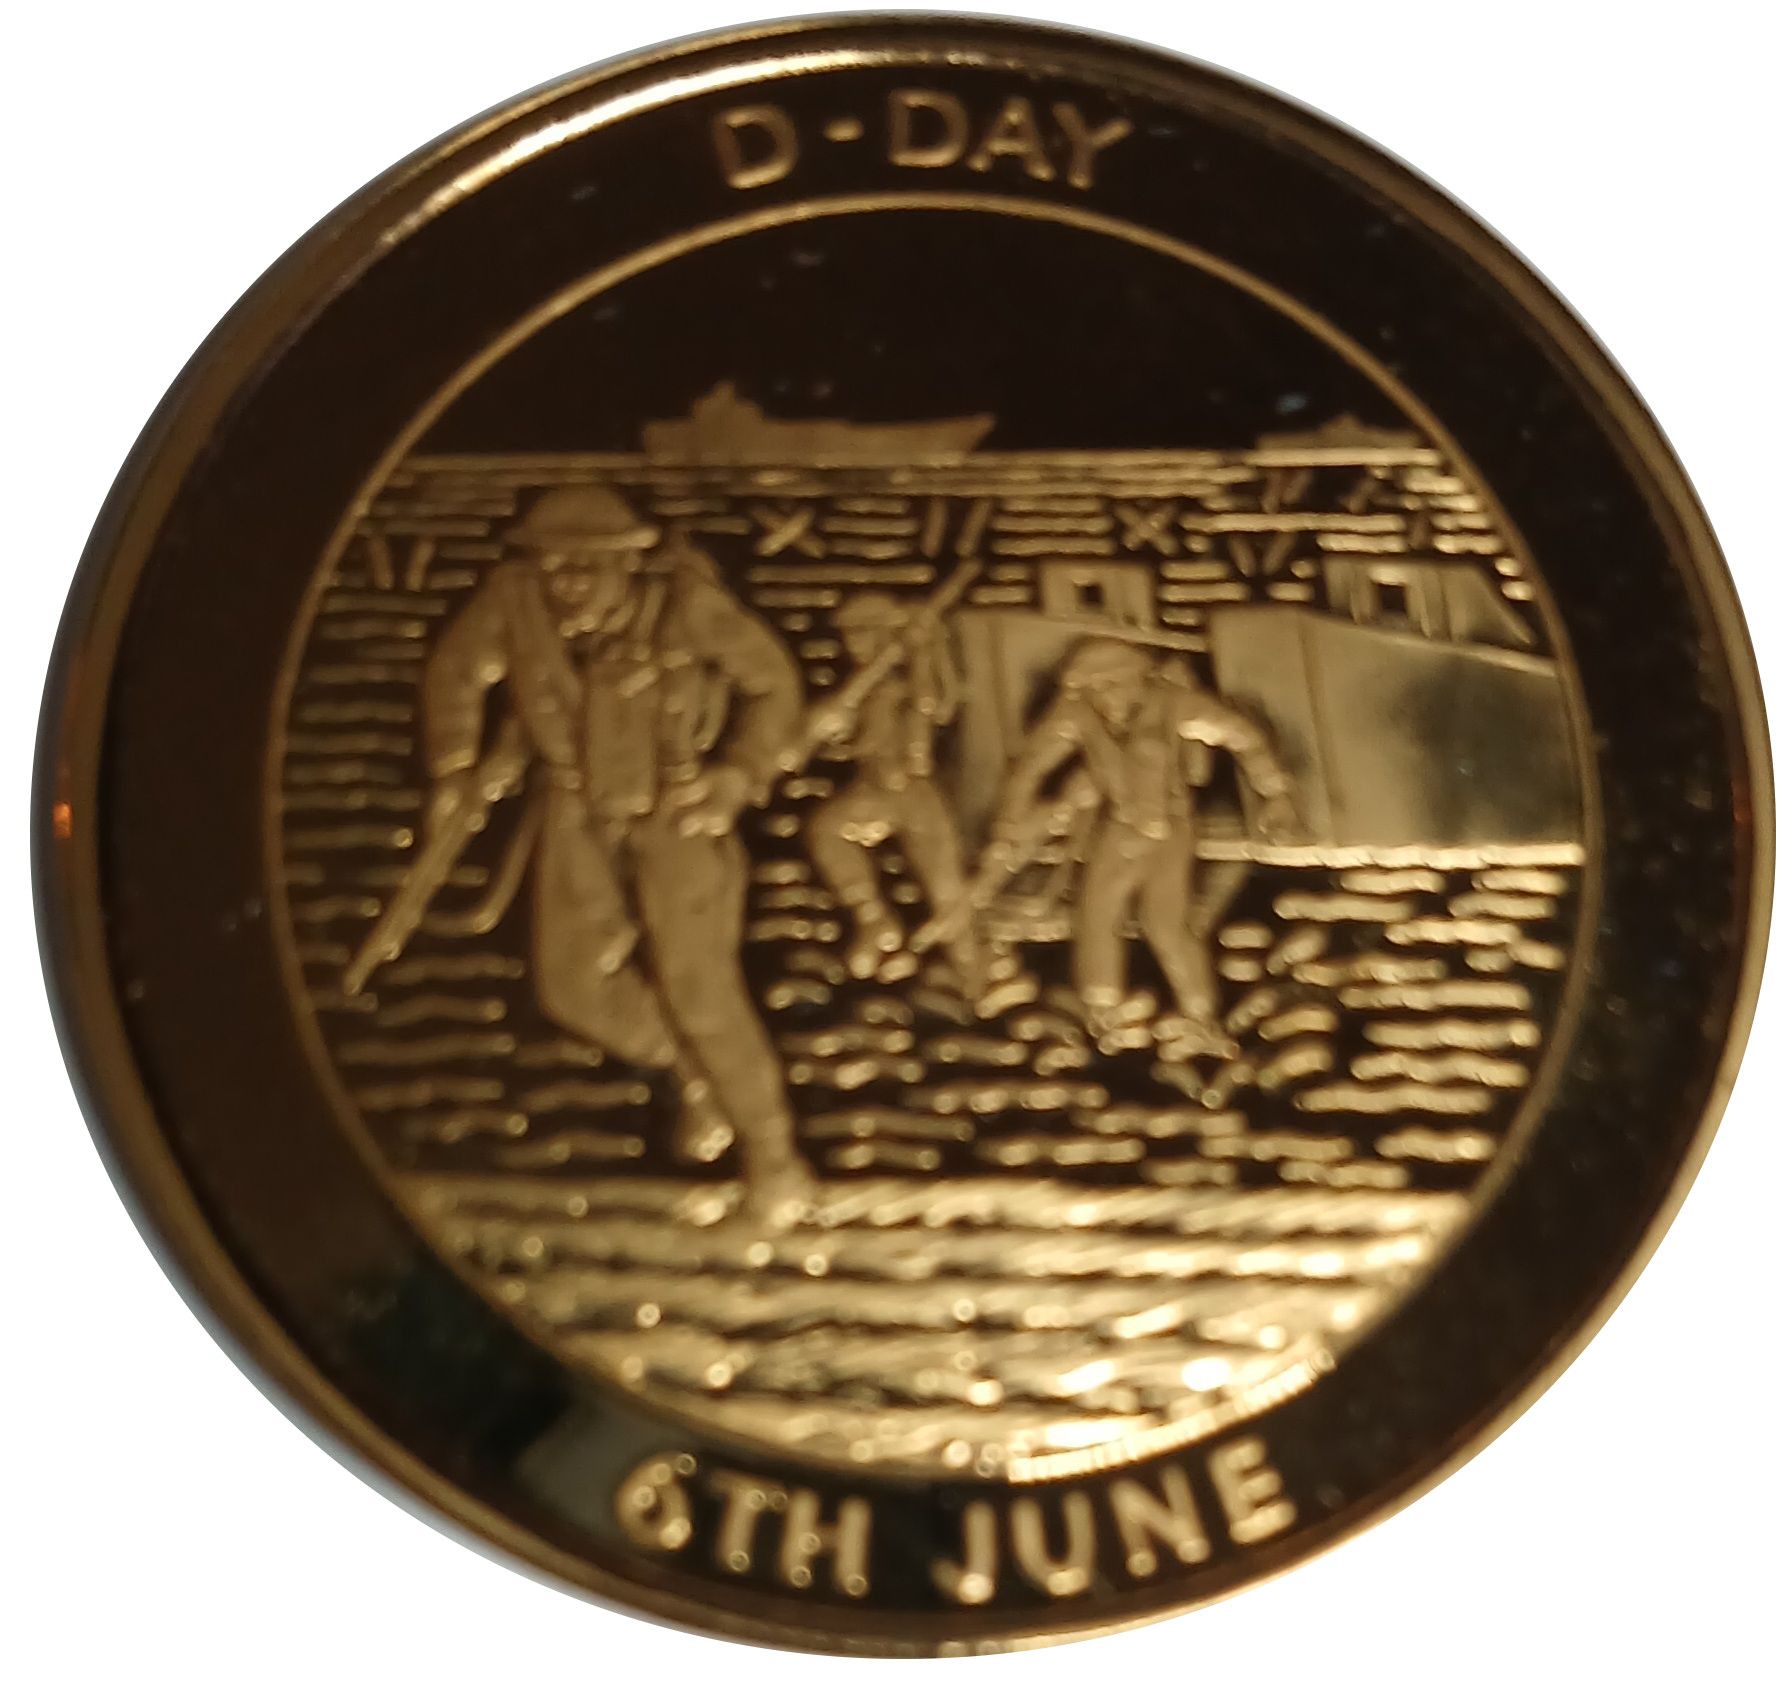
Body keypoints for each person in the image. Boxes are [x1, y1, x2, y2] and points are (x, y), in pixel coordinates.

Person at [419, 485, 812, 1223]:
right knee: (571, 987)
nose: (565, 583)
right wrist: (452, 768)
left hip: (676, 811)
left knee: (699, 988)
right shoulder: (513, 602)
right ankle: (695, 1071)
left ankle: (774, 1157)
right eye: (553, 565)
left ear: (626, 564)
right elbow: (458, 671)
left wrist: (738, 776)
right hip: (575, 810)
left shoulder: (686, 607)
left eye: (586, 567)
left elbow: (774, 683)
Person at [988, 637, 1298, 1043]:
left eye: (1111, 684)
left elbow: (1243, 737)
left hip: (1171, 828)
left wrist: (1275, 793)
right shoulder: (1078, 713)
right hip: (1121, 828)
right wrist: (1009, 823)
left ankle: (1199, 1015)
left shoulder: (1175, 704)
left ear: (1137, 677)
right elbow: (1030, 766)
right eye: (1093, 688)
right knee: (1098, 914)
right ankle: (1103, 1010)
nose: (1104, 697)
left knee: (1163, 923)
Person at [804, 592, 988, 998]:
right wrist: (829, 722)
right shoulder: (861, 689)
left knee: (945, 887)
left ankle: (973, 972)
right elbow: (831, 736)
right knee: (826, 829)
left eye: (861, 632)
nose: (853, 643)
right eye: (849, 634)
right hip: (872, 790)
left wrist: (921, 651)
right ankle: (873, 920)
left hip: (913, 792)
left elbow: (931, 706)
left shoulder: (910, 683)